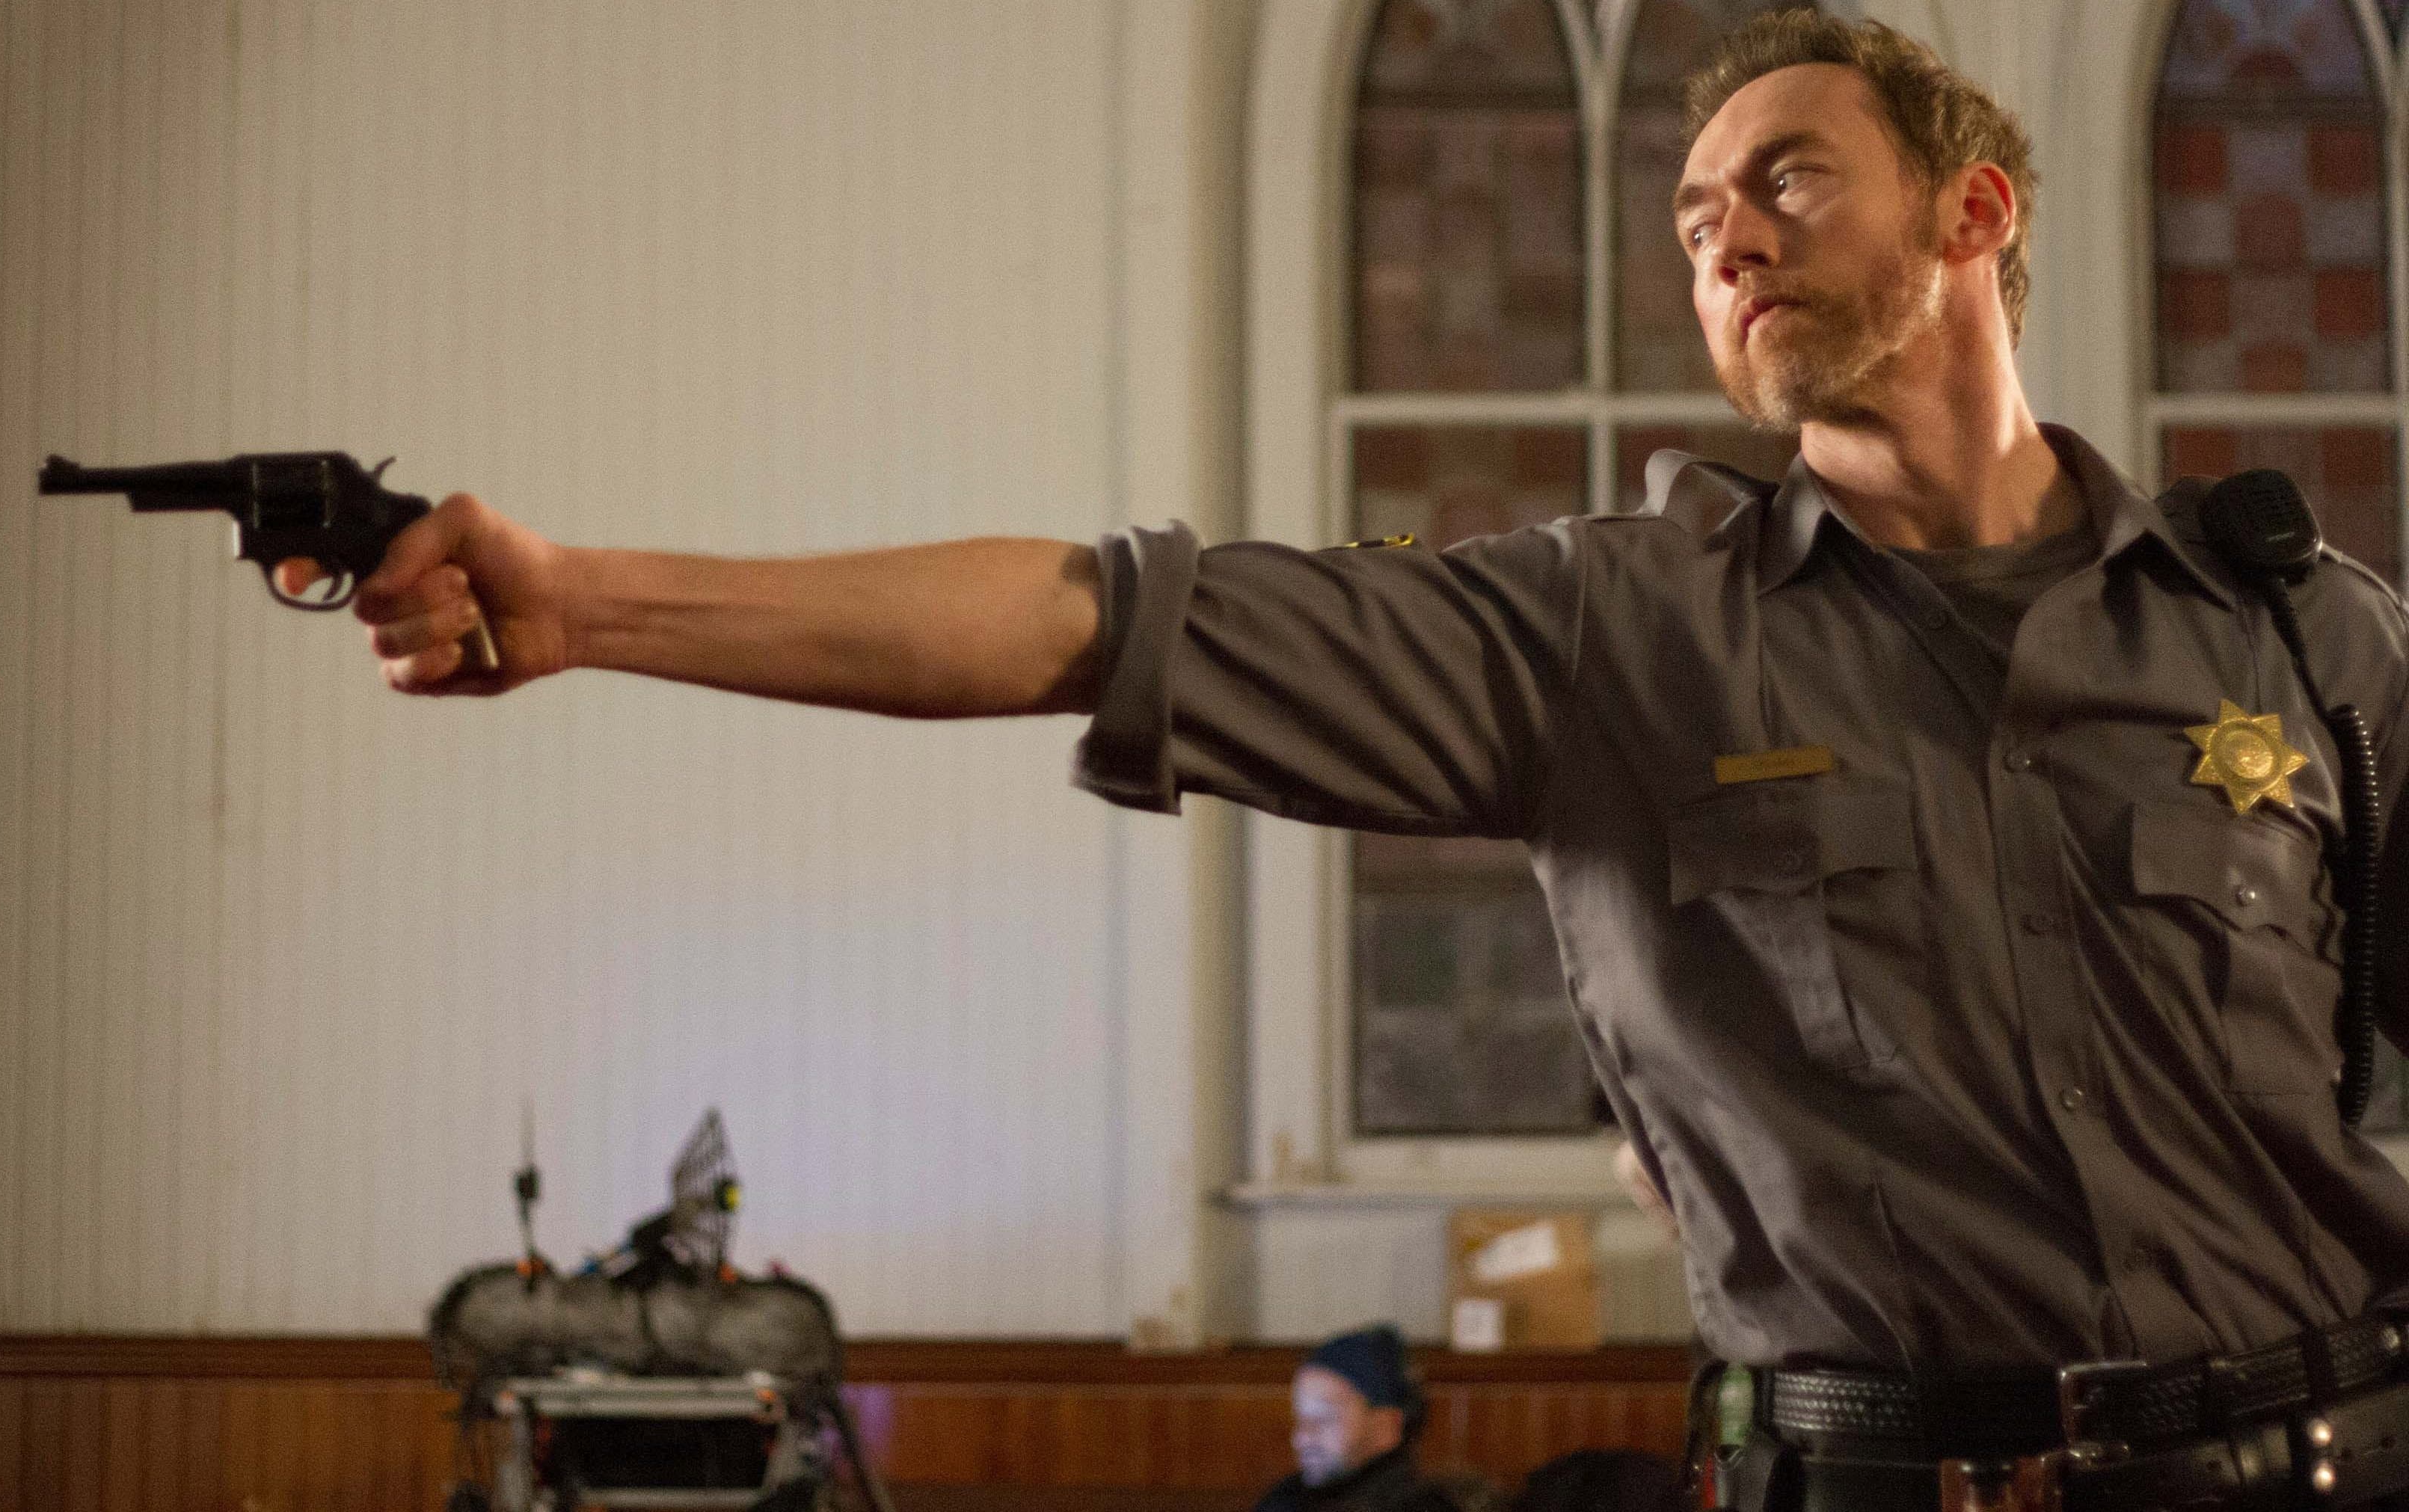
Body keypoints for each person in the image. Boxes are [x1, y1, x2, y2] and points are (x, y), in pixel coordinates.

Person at [295, 13, 2409, 1510]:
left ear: (1973, 211)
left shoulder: (2297, 635)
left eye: (1783, 180)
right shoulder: (1615, 634)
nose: (1723, 242)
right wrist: (590, 601)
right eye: (1690, 219)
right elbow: (1097, 621)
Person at [1254, 1326, 1458, 1512]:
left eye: (1323, 1419)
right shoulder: (1286, 1500)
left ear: (1388, 1424)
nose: (1301, 1439)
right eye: (1301, 1420)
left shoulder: (1424, 1506)